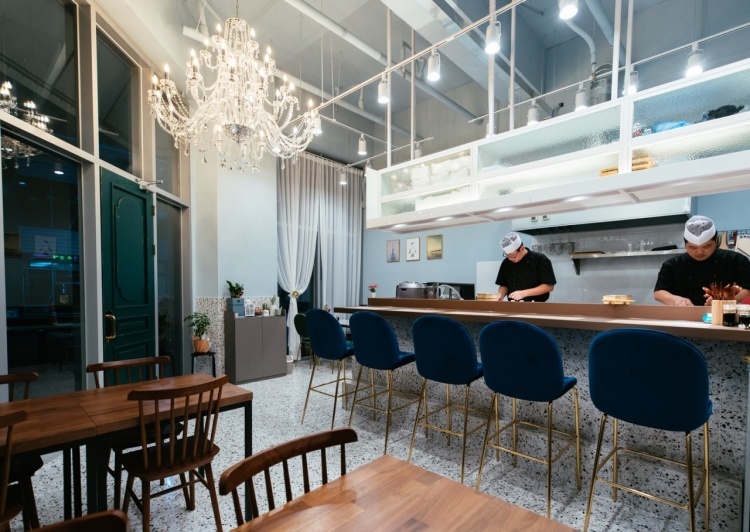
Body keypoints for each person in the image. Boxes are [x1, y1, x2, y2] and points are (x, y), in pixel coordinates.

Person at [654, 215, 750, 306]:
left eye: (706, 246)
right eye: (692, 247)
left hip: (725, 314)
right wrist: (676, 300)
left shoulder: (736, 260)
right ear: (685, 244)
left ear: (716, 241)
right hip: (683, 315)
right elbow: (659, 292)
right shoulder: (672, 265)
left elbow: (748, 288)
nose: (699, 252)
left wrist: (726, 300)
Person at [496, 232, 556, 302]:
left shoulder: (540, 259)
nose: (510, 258)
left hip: (537, 305)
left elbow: (549, 286)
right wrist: (501, 295)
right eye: (507, 255)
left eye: (512, 255)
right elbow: (504, 284)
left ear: (522, 248)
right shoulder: (506, 263)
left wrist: (524, 293)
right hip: (513, 305)